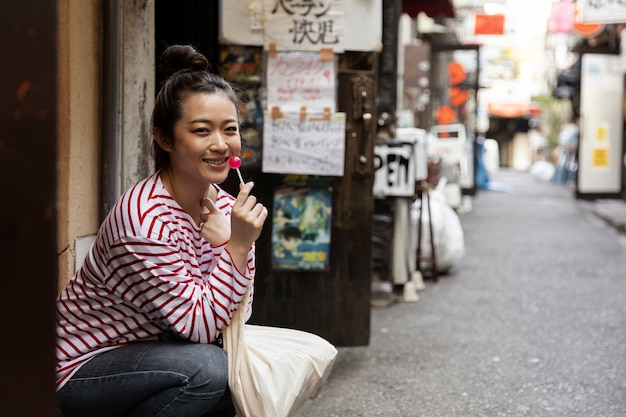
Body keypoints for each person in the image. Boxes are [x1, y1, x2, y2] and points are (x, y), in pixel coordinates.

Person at [56, 44, 268, 417]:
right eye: (202, 131)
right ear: (165, 138)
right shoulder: (143, 221)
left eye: (230, 130)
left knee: (230, 380)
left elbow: (238, 314)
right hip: (79, 367)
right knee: (207, 370)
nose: (221, 144)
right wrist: (236, 246)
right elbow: (200, 328)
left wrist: (234, 242)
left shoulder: (219, 204)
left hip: (152, 352)